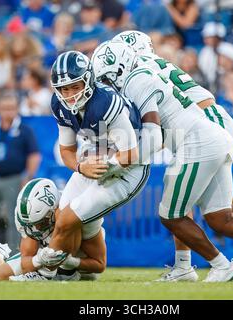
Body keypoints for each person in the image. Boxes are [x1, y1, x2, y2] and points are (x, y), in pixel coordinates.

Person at [95, 37, 233, 286]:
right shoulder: (147, 69)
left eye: (106, 78)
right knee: (217, 215)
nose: (106, 85)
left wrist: (118, 162)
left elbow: (152, 136)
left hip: (200, 135)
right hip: (204, 131)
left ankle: (222, 263)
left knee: (171, 213)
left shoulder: (137, 77)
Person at [37, 51, 150, 271]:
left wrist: (102, 167)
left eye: (75, 87)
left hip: (129, 169)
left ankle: (45, 272)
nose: (69, 95)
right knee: (61, 216)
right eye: (64, 89)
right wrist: (81, 167)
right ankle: (70, 269)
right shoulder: (59, 105)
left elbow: (130, 154)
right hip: (98, 156)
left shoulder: (104, 102)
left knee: (67, 220)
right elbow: (67, 150)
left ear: (88, 80)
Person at [0, 178, 106, 281]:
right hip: (45, 256)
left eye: (41, 223)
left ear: (53, 210)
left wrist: (70, 262)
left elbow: (99, 264)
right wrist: (38, 260)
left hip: (79, 264)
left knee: (87, 276)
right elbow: (26, 259)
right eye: (32, 224)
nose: (35, 229)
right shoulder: (30, 220)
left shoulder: (78, 214)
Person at [0, 92, 41, 253]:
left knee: (16, 220)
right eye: (4, 108)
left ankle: (15, 255)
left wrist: (28, 177)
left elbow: (34, 155)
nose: (8, 112)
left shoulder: (24, 130)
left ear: (17, 109)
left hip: (15, 178)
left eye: (11, 108)